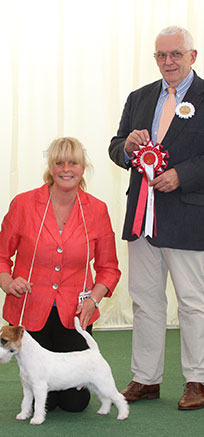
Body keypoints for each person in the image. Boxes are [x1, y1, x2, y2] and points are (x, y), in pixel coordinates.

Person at [109, 26, 204, 410]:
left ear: (192, 56)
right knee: (145, 301)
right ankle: (146, 379)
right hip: (141, 218)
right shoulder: (140, 97)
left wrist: (184, 174)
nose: (169, 62)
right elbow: (116, 146)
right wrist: (129, 150)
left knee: (192, 302)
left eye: (176, 54)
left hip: (187, 216)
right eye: (162, 55)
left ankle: (197, 379)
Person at [0, 137, 121, 412]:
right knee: (43, 392)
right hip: (30, 313)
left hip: (74, 314)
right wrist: (8, 281)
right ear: (50, 167)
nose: (66, 169)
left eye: (73, 162)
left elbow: (109, 268)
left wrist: (93, 300)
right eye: (59, 162)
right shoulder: (23, 204)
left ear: (83, 168)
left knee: (74, 403)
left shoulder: (97, 210)